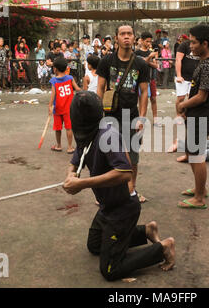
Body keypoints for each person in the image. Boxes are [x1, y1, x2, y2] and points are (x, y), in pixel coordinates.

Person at [62, 91, 175, 281]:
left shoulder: (108, 135)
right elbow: (76, 160)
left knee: (110, 269)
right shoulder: (85, 134)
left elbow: (124, 173)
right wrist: (70, 174)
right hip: (107, 205)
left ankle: (163, 248)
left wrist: (82, 183)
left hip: (123, 208)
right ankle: (147, 231)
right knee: (94, 245)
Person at [96, 24, 150, 203]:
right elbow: (100, 88)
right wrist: (98, 114)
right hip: (110, 116)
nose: (126, 37)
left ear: (134, 38)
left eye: (129, 34)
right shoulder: (106, 61)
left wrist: (142, 117)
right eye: (122, 34)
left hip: (132, 116)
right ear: (116, 38)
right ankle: (106, 193)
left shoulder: (141, 64)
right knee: (109, 154)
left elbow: (144, 93)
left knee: (132, 156)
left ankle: (131, 189)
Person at [175, 24, 209, 210]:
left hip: (201, 115)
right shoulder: (203, 61)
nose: (190, 46)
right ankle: (199, 188)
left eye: (193, 43)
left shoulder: (208, 65)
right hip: (195, 115)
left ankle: (200, 197)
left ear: (205, 43)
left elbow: (202, 96)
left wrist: (182, 105)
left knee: (197, 155)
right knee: (192, 153)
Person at [48, 57, 81, 154]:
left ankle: (58, 145)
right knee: (69, 128)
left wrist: (50, 106)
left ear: (55, 69)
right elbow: (78, 90)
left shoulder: (54, 81)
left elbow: (53, 95)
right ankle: (70, 147)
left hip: (58, 109)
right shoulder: (70, 78)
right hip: (69, 109)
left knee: (58, 128)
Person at [135, 32, 160, 126]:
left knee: (153, 99)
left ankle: (156, 120)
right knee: (141, 99)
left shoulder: (151, 52)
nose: (149, 43)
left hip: (151, 78)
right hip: (140, 79)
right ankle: (142, 119)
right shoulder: (137, 52)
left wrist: (148, 60)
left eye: (150, 41)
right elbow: (138, 64)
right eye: (147, 41)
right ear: (141, 41)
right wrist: (149, 58)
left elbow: (156, 65)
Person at [174, 32, 200, 121]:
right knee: (181, 97)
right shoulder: (184, 45)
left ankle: (186, 114)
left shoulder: (200, 46)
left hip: (194, 77)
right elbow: (178, 59)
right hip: (183, 76)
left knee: (192, 98)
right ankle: (178, 115)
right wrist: (179, 75)